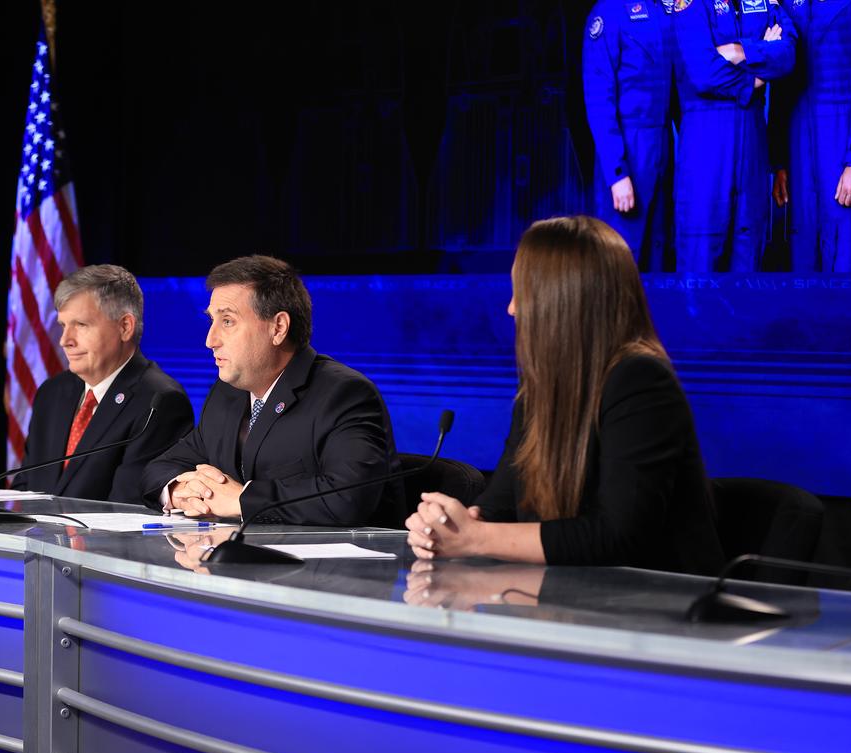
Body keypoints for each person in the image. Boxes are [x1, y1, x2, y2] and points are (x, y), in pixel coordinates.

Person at [406, 216, 724, 575]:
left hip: (658, 613)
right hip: (573, 602)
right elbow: (502, 505)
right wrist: (450, 527)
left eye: (522, 293)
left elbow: (620, 535)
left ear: (563, 302)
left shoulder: (640, 380)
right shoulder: (539, 390)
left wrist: (476, 537)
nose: (511, 308)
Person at [141, 255, 404, 527]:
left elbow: (349, 497)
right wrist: (179, 491)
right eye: (211, 321)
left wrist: (242, 500)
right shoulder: (226, 395)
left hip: (336, 566)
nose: (210, 340)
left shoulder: (344, 394)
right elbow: (158, 468)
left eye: (228, 321)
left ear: (278, 328)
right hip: (244, 561)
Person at [14, 265, 194, 503]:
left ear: (124, 327)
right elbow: (23, 485)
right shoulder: (52, 392)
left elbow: (127, 507)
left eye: (81, 325)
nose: (65, 340)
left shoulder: (160, 401)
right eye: (63, 325)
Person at [671, 0, 797, 271]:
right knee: (700, 264)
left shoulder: (763, 2)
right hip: (707, 146)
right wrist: (755, 76)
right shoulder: (690, 4)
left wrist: (737, 50)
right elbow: (702, 71)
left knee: (749, 260)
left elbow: (787, 55)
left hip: (752, 147)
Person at [771, 0, 851, 272]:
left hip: (843, 138)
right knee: (802, 254)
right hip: (798, 144)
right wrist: (780, 160)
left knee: (845, 256)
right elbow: (783, 83)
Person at [582, 0, 674, 269]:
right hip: (628, 145)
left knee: (659, 249)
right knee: (620, 257)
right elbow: (599, 98)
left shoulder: (664, 9)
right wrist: (617, 173)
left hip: (662, 143)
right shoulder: (608, 11)